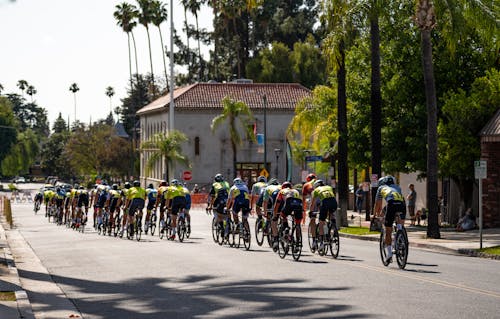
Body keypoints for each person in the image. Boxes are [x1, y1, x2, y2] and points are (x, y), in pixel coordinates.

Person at [373, 175, 406, 264]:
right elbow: (396, 199)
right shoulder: (397, 187)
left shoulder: (381, 188)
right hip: (402, 205)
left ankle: (389, 253)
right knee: (399, 222)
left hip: (391, 205)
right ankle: (400, 235)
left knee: (388, 230)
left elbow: (378, 204)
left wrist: (375, 215)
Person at [272, 181, 303, 250]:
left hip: (289, 201)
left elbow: (277, 205)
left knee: (283, 215)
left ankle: (286, 228)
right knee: (297, 224)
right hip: (299, 204)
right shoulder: (296, 191)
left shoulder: (282, 191)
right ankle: (298, 243)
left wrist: (274, 215)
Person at [309, 179, 338, 251]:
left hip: (324, 203)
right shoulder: (329, 187)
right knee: (331, 214)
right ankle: (333, 226)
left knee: (321, 222)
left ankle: (321, 243)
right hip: (334, 203)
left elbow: (313, 204)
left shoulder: (315, 191)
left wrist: (311, 212)